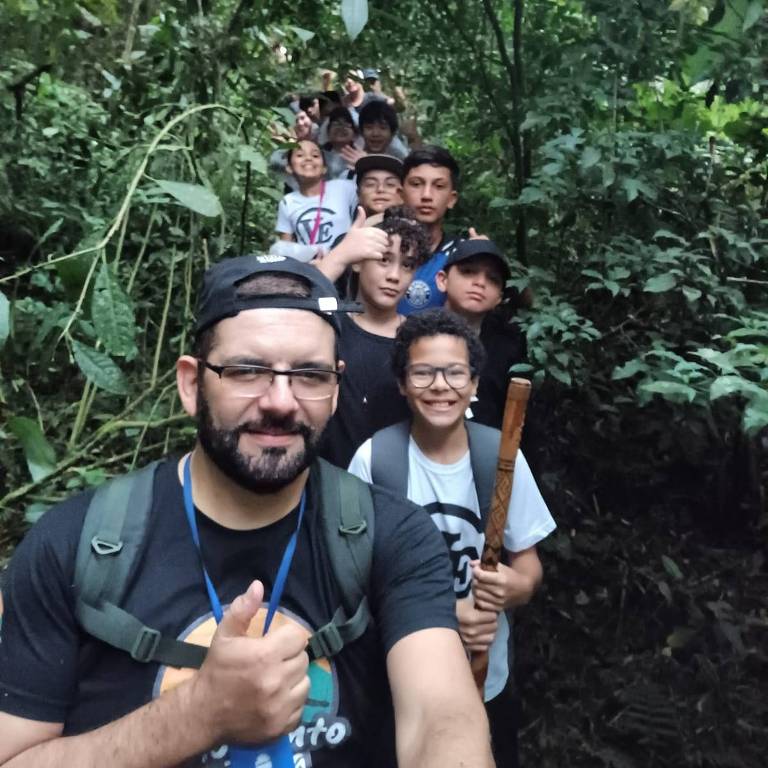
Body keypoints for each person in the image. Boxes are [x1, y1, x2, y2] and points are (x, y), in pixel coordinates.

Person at [0, 256, 494, 768]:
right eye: (247, 370)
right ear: (192, 385)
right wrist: (195, 716)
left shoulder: (394, 536)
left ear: (336, 387)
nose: (281, 401)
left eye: (309, 374)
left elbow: (444, 718)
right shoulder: (76, 544)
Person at [348, 309, 555, 768]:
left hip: (487, 675)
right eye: (422, 373)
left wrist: (514, 589)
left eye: (455, 372)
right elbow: (351, 578)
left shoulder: (500, 457)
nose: (440, 385)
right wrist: (444, 615)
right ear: (402, 384)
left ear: (475, 383)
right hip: (395, 681)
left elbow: (529, 566)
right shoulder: (373, 462)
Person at [318, 207, 431, 469]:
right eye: (383, 259)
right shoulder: (329, 324)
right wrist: (339, 255)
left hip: (396, 484)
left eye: (407, 265)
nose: (394, 276)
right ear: (357, 261)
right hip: (329, 480)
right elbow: (287, 310)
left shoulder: (420, 339)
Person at [436, 239, 527, 429]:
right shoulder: (414, 335)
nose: (479, 283)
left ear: (499, 298)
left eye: (492, 279)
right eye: (468, 271)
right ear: (442, 280)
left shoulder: (509, 346)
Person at [398, 146, 461, 315]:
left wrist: (488, 257)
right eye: (416, 184)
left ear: (452, 199)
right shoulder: (377, 247)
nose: (426, 195)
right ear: (401, 194)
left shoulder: (462, 256)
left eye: (439, 186)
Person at [275, 139, 357, 249]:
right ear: (289, 168)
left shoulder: (345, 187)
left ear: (324, 168)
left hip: (345, 262)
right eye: (300, 155)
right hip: (308, 264)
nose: (308, 158)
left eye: (315, 156)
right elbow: (285, 248)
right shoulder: (287, 202)